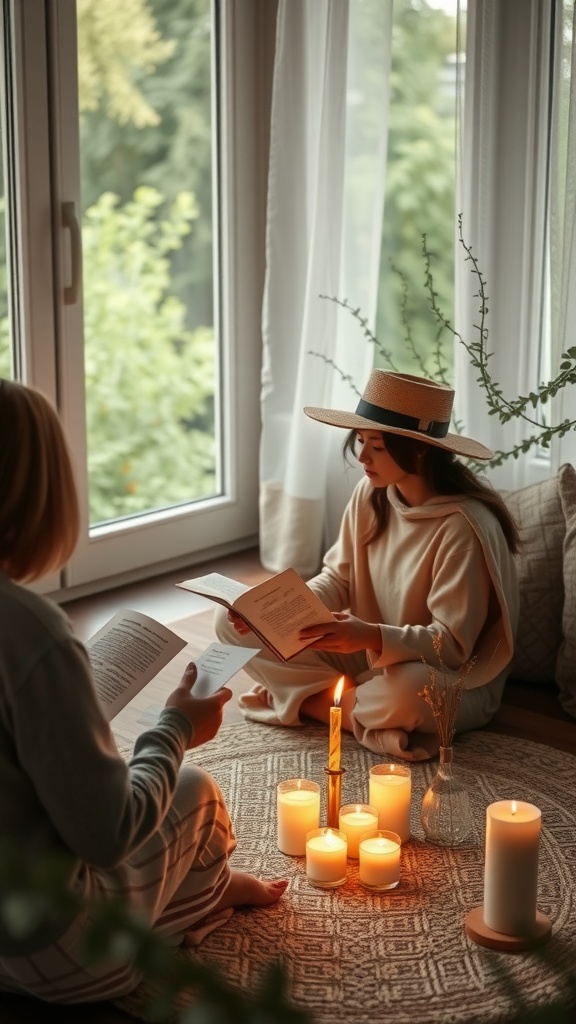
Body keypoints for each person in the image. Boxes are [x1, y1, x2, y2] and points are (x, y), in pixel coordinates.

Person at [0, 378, 287, 1004]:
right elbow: (108, 835)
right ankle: (208, 896)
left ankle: (199, 896)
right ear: (37, 495)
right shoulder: (31, 631)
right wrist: (176, 726)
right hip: (53, 950)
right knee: (195, 792)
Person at [216, 369, 520, 761]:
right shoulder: (372, 494)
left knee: (409, 695)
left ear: (419, 449)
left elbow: (454, 647)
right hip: (365, 655)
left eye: (376, 446)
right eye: (360, 442)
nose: (361, 457)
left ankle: (316, 703)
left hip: (447, 677)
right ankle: (350, 712)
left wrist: (372, 637)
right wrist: (277, 608)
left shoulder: (462, 527)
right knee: (232, 623)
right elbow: (338, 578)